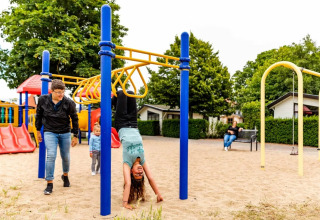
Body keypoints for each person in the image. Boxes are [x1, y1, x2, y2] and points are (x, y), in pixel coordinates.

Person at [112, 90, 163, 210]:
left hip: (122, 123)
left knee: (122, 93)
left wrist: (125, 203)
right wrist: (158, 194)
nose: (140, 171)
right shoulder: (143, 161)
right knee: (130, 92)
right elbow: (150, 178)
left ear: (131, 172)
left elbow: (128, 183)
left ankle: (113, 101)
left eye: (137, 174)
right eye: (141, 174)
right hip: (134, 124)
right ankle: (114, 101)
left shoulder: (127, 163)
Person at [35, 79, 79, 195]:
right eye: (58, 92)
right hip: (50, 131)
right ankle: (49, 183)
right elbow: (38, 115)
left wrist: (75, 135)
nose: (61, 94)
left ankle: (65, 175)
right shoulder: (43, 100)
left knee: (65, 156)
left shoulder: (68, 102)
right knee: (51, 155)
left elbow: (74, 118)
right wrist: (38, 130)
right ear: (52, 91)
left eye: (63, 92)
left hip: (64, 132)